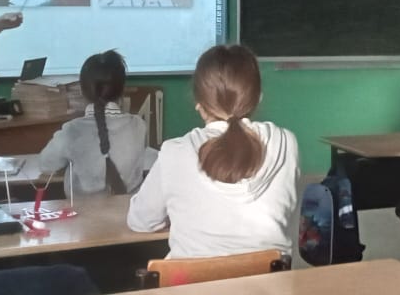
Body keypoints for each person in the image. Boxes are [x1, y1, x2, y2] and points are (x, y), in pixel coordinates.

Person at [127, 45, 299, 258]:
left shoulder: (175, 152)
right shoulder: (286, 143)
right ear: (258, 98)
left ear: (199, 104)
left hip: (189, 279)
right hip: (273, 277)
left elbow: (141, 221)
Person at [38, 50, 153, 194]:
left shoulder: (72, 130)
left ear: (82, 91)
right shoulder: (138, 126)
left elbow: (46, 165)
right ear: (122, 90)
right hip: (129, 206)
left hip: (82, 207)